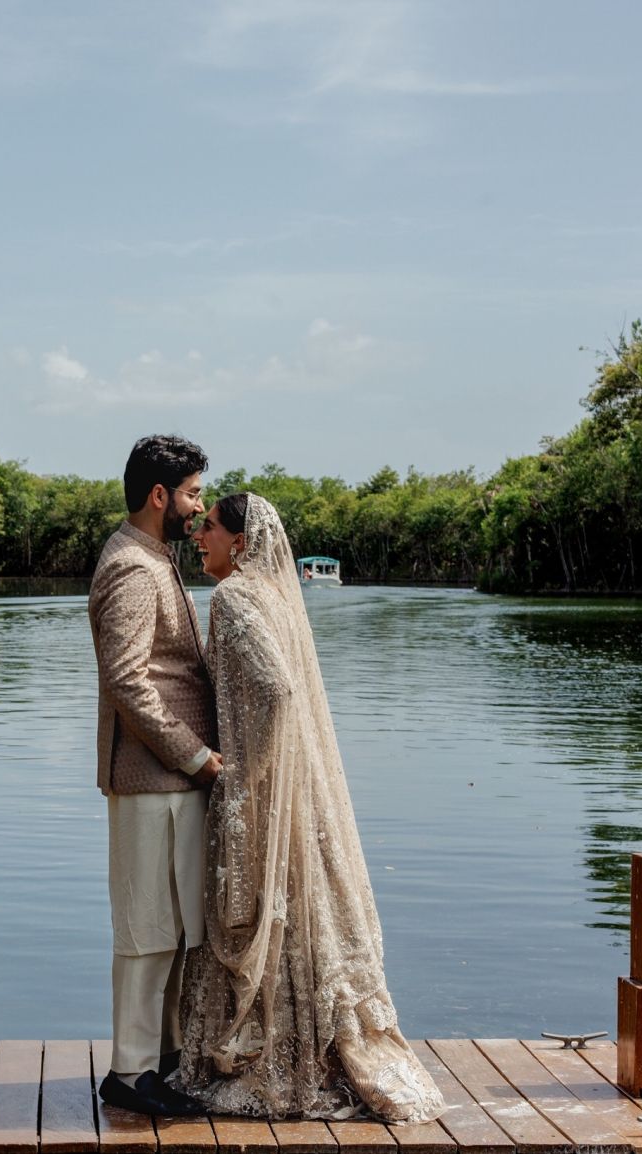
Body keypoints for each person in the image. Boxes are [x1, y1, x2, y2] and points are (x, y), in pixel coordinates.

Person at [174, 492, 445, 1123]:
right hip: (297, 784)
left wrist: (248, 773)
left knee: (267, 912)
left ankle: (276, 1061)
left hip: (262, 785)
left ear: (241, 542)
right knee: (297, 908)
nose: (199, 537)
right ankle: (314, 1051)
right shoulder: (275, 594)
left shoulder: (235, 596)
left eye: (209, 528)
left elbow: (277, 690)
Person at [88, 435, 223, 1118]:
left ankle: (161, 1063)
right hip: (151, 776)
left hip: (168, 780)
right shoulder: (134, 568)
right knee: (146, 930)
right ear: (159, 495)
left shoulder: (153, 557)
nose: (199, 507)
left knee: (171, 928)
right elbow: (128, 682)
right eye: (194, 494)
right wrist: (195, 756)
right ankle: (130, 1073)